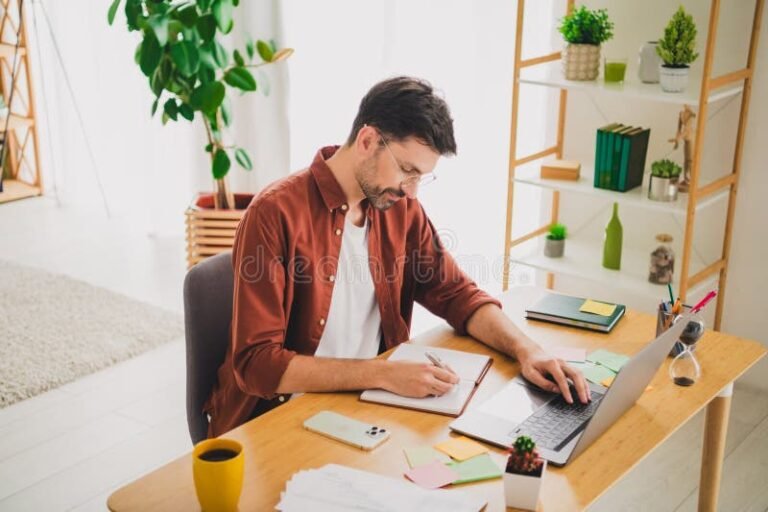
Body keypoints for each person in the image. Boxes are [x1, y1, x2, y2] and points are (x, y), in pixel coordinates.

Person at [204, 76, 588, 437]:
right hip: (279, 417)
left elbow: (456, 294)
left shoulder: (399, 208)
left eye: (421, 176)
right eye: (407, 170)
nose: (413, 191)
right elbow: (257, 365)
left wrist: (528, 350)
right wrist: (383, 374)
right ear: (368, 140)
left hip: (367, 405)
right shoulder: (274, 212)